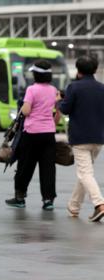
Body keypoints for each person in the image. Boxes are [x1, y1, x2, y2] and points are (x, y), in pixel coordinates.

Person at [5, 60, 61, 210]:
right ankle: (48, 200)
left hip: (31, 133)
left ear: (35, 74)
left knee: (25, 166)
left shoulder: (31, 90)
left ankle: (20, 198)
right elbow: (57, 116)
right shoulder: (53, 90)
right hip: (48, 134)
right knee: (48, 168)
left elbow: (26, 111)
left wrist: (24, 105)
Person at [59, 55, 104, 222]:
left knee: (85, 173)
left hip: (80, 138)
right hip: (98, 138)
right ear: (95, 70)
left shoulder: (74, 87)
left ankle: (100, 204)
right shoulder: (102, 88)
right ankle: (73, 207)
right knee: (85, 174)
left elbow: (65, 109)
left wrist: (59, 101)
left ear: (78, 71)